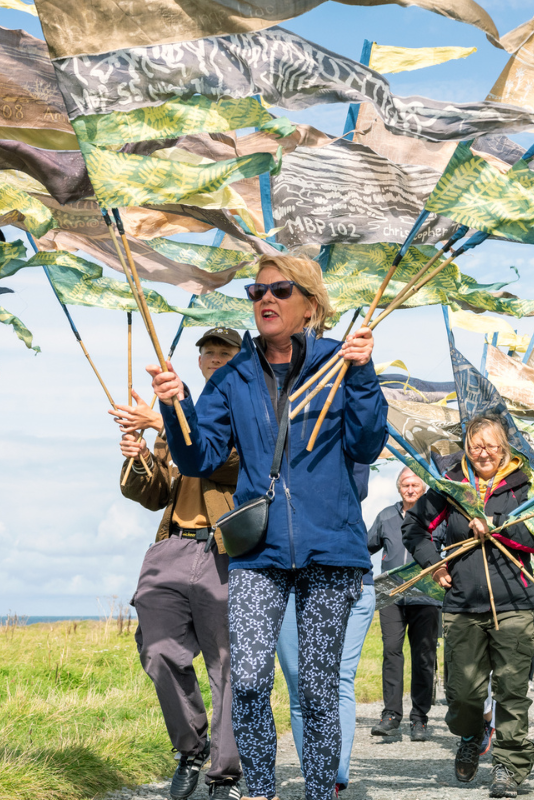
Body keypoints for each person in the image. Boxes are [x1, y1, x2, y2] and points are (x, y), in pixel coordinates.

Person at [148, 253, 386, 800]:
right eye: (257, 293)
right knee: (251, 680)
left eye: (280, 291)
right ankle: (259, 789)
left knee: (318, 687)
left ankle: (321, 792)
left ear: (310, 305)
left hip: (332, 550)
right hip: (258, 550)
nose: (266, 301)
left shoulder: (340, 361)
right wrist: (176, 405)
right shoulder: (232, 376)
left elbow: (368, 444)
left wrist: (365, 372)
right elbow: (199, 457)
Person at [113, 328, 244, 800]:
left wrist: (162, 422)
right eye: (206, 352)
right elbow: (152, 495)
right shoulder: (178, 413)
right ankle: (191, 747)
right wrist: (140, 454)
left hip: (226, 551)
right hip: (173, 545)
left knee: (228, 665)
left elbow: (228, 463)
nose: (212, 358)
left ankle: (225, 773)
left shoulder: (248, 408)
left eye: (223, 352)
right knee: (157, 650)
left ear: (240, 359)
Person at [402, 413, 534, 799]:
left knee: (511, 692)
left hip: (515, 604)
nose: (483, 453)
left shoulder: (525, 485)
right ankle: (472, 731)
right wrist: (433, 562)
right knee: (462, 692)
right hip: (463, 605)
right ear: (467, 449)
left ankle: (508, 768)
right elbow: (413, 527)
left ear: (504, 450)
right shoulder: (449, 488)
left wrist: (494, 523)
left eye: (491, 446)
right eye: (475, 446)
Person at [275, 462, 372, 795]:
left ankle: (333, 777)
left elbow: (352, 490)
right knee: (300, 688)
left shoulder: (342, 434)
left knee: (337, 680)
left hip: (342, 574)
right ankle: (316, 778)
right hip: (285, 577)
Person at [368, 467, 440, 742]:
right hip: (391, 594)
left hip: (427, 593)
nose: (410, 489)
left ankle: (419, 718)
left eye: (415, 485)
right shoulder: (386, 516)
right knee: (391, 652)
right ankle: (391, 716)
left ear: (423, 488)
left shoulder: (435, 514)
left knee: (424, 656)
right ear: (399, 488)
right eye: (405, 485)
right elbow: (366, 547)